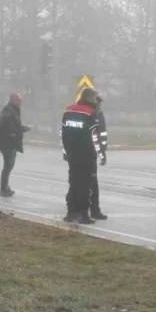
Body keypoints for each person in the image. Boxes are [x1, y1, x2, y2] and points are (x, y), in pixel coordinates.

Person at [61, 88, 102, 224]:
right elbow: (94, 136)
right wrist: (98, 153)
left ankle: (70, 213)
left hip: (72, 154)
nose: (97, 101)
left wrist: (65, 152)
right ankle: (84, 214)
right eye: (96, 98)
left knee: (73, 183)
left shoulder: (69, 110)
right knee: (85, 186)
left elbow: (63, 133)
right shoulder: (91, 113)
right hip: (86, 155)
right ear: (90, 98)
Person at [0, 93, 30, 197]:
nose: (21, 102)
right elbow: (8, 126)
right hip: (7, 142)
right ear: (13, 100)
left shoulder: (13, 109)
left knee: (9, 165)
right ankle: (3, 188)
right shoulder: (8, 111)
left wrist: (22, 128)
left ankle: (5, 186)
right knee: (8, 164)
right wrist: (18, 131)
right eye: (19, 100)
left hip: (11, 141)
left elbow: (14, 125)